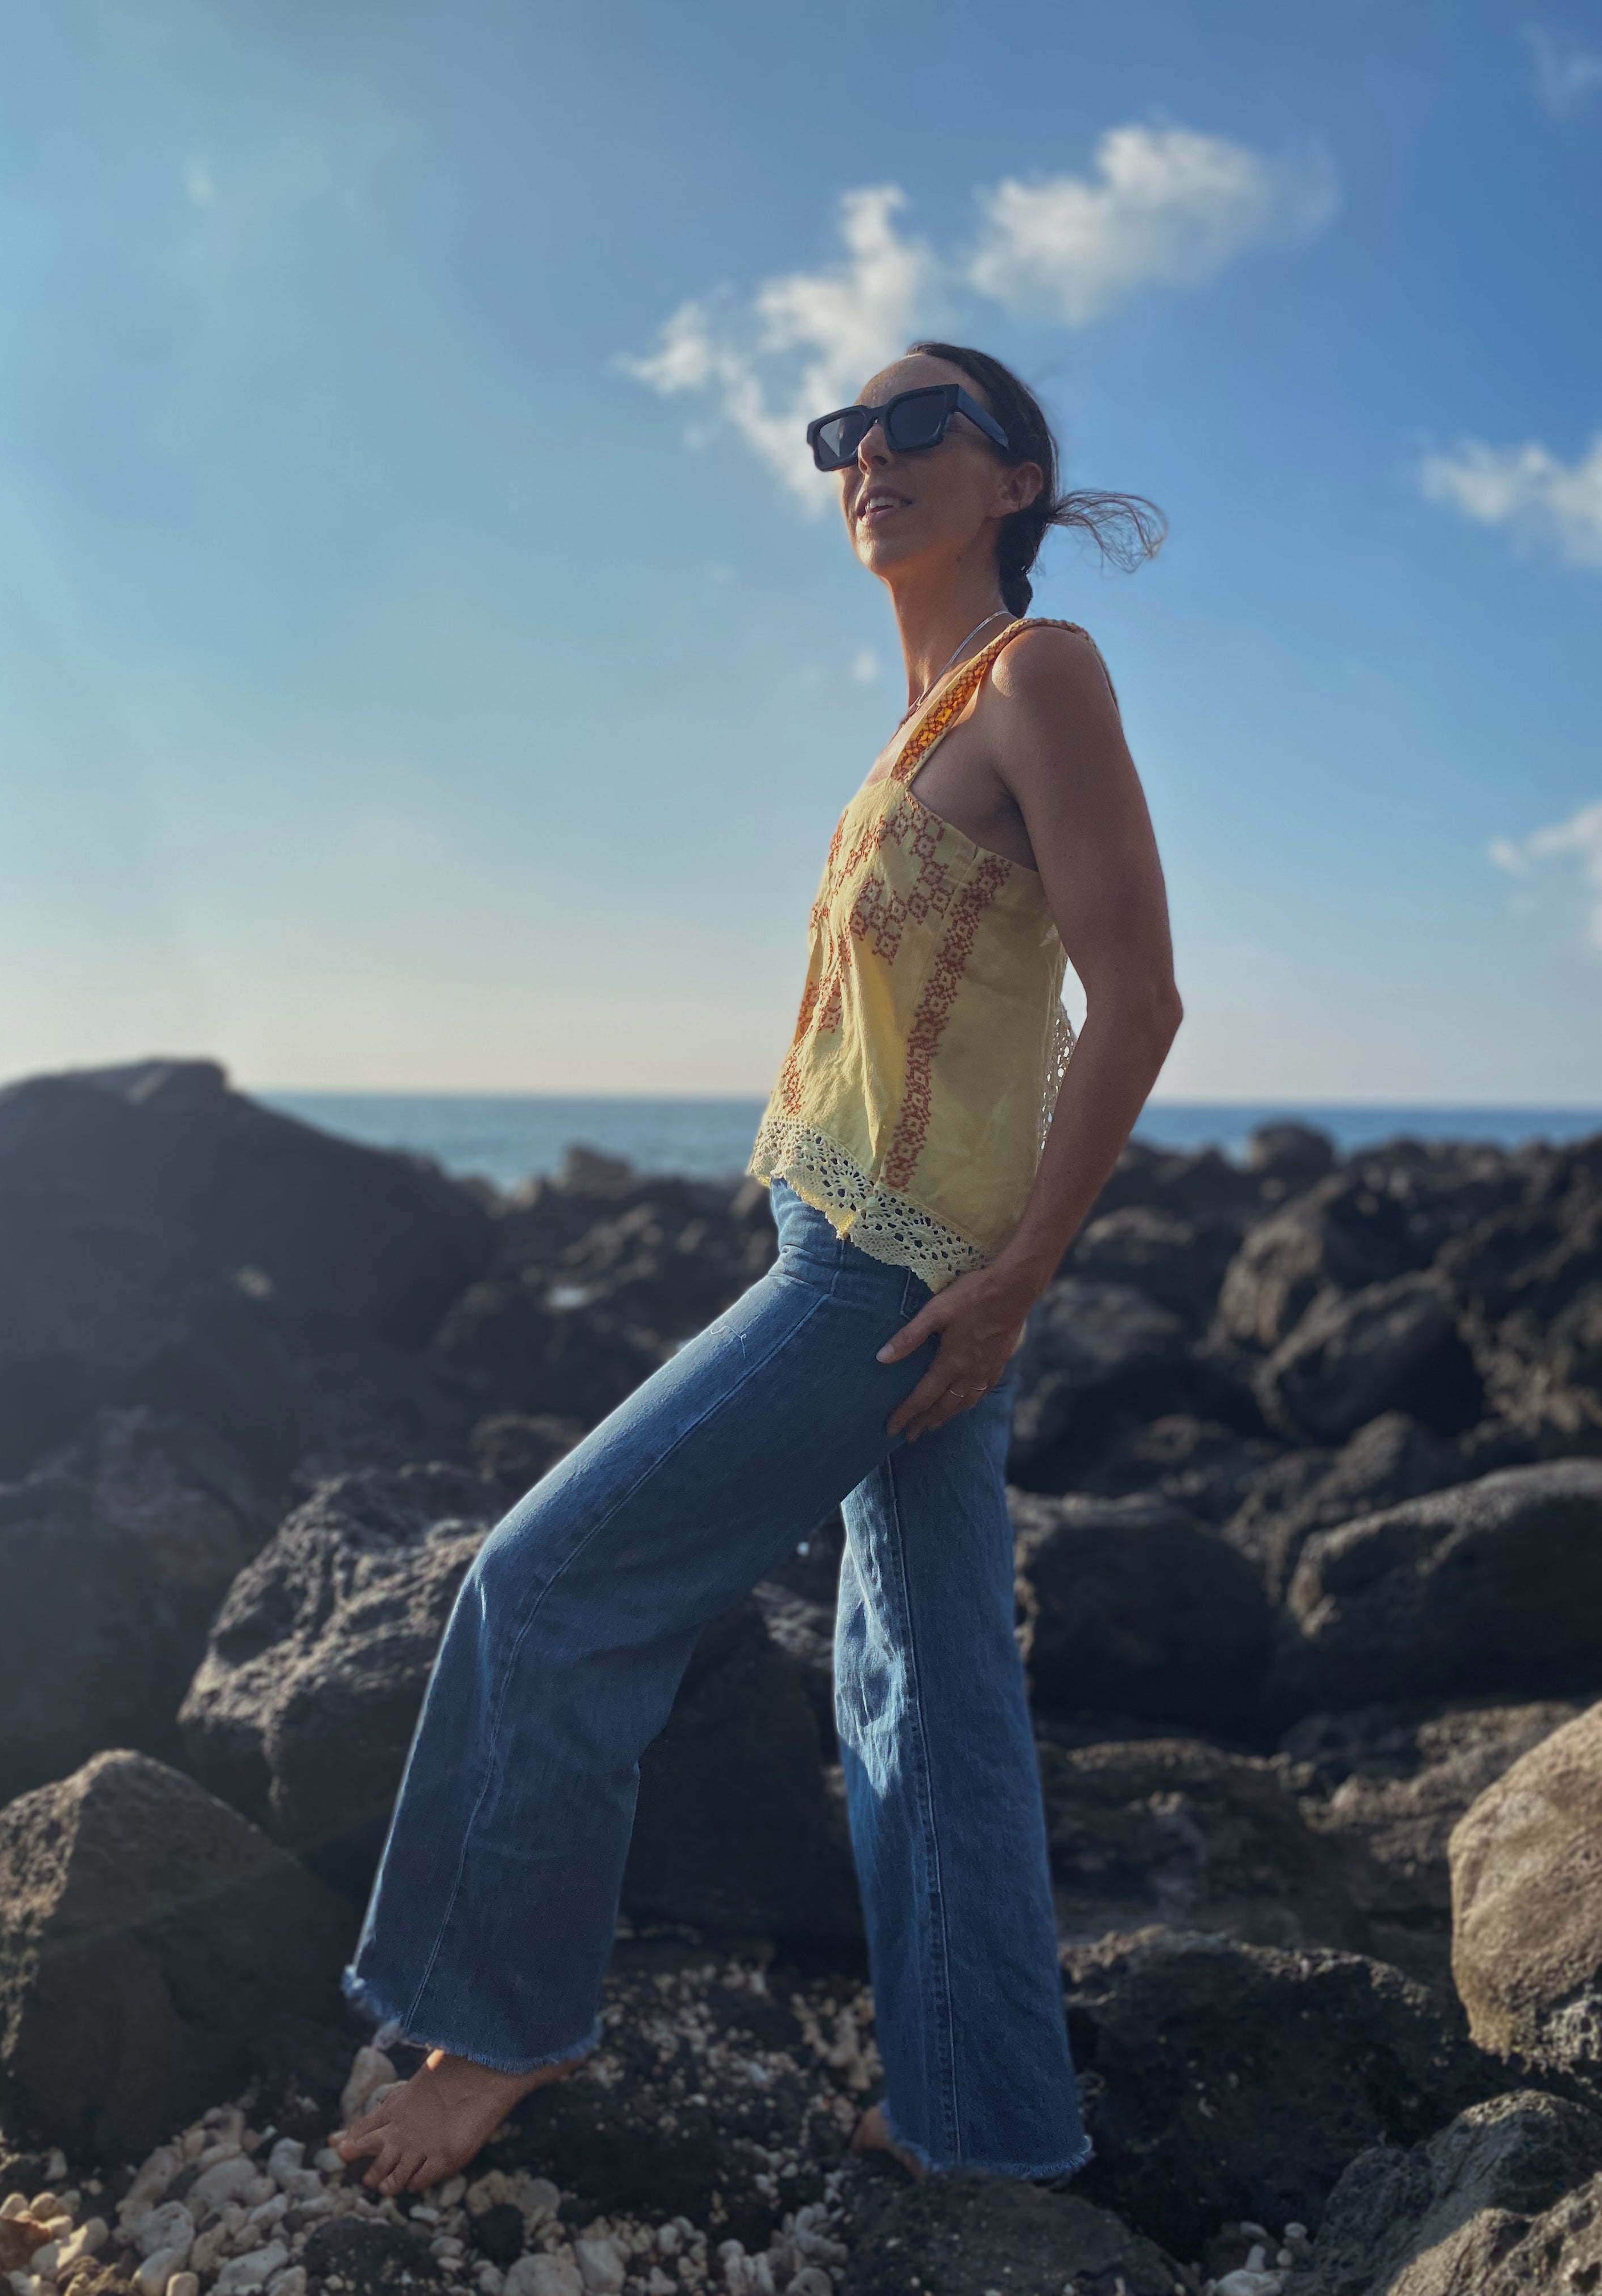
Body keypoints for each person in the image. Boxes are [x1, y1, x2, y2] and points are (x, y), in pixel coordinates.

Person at [331, 341, 1181, 2196]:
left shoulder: (1043, 675)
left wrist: (1026, 1269)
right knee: (929, 1693)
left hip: (893, 1275)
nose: (866, 456)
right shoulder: (923, 722)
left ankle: (497, 2037)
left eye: (916, 426)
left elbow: (1144, 995)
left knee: (545, 1592)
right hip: (888, 1248)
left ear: (1018, 476)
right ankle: (989, 2117)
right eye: (842, 436)